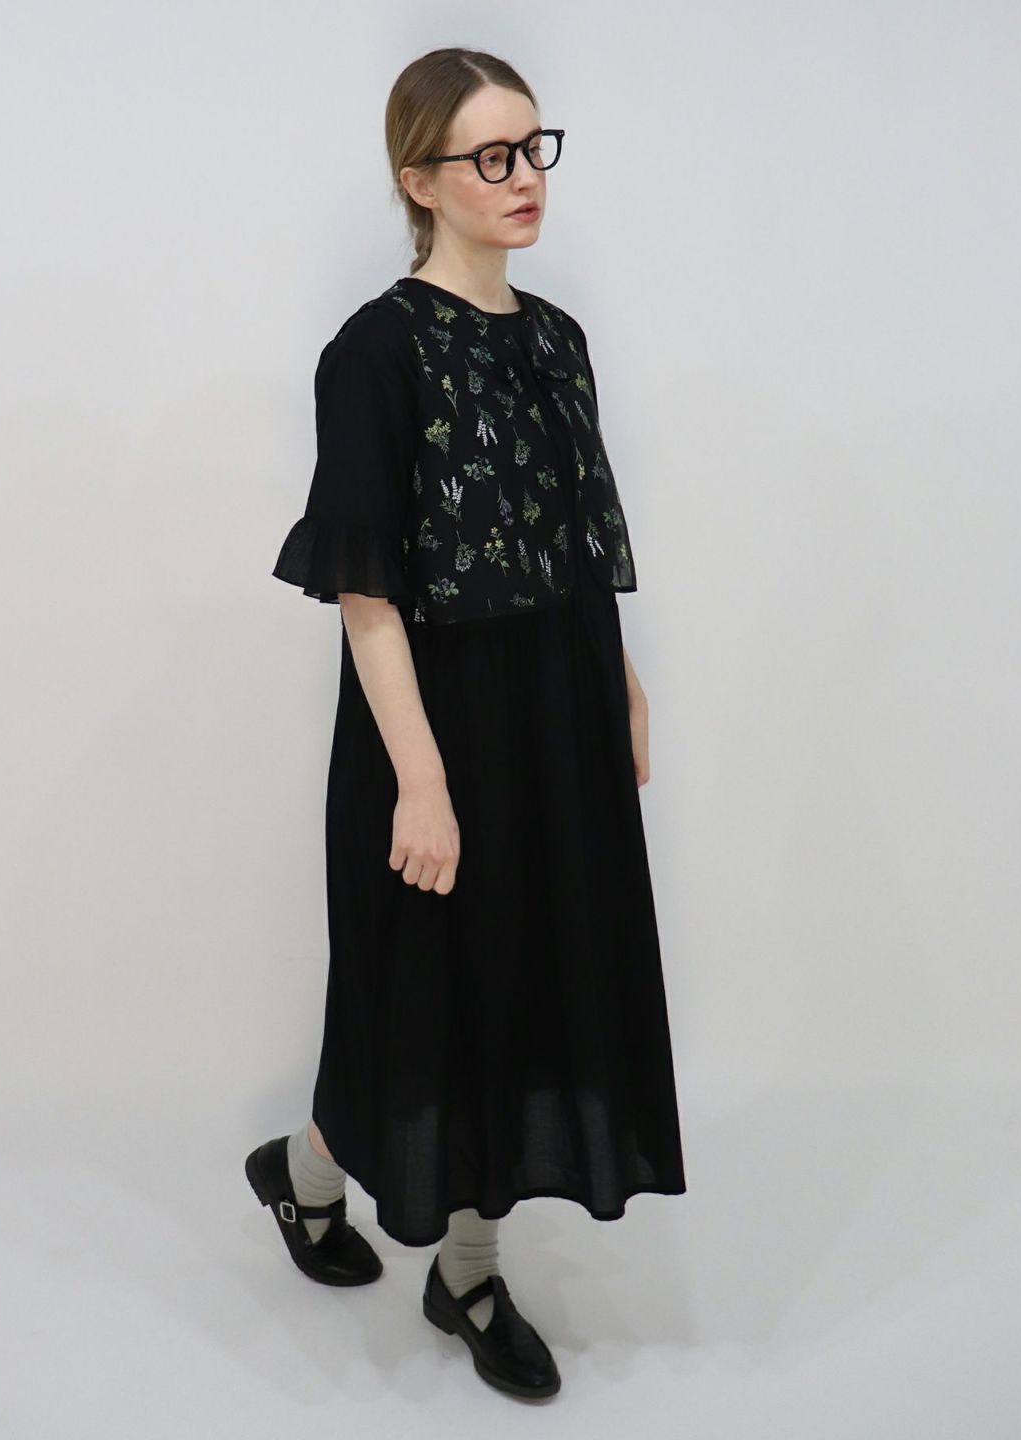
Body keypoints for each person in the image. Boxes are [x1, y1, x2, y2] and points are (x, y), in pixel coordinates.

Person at [246, 46, 686, 1400]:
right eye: (491, 156)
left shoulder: (557, 340)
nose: (522, 178)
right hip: (437, 728)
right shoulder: (374, 353)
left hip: (559, 710)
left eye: (533, 148)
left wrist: (622, 689)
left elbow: (574, 542)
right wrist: (421, 782)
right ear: (419, 181)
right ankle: (316, 1178)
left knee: (537, 983)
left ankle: (464, 1266)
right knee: (427, 1005)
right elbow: (365, 591)